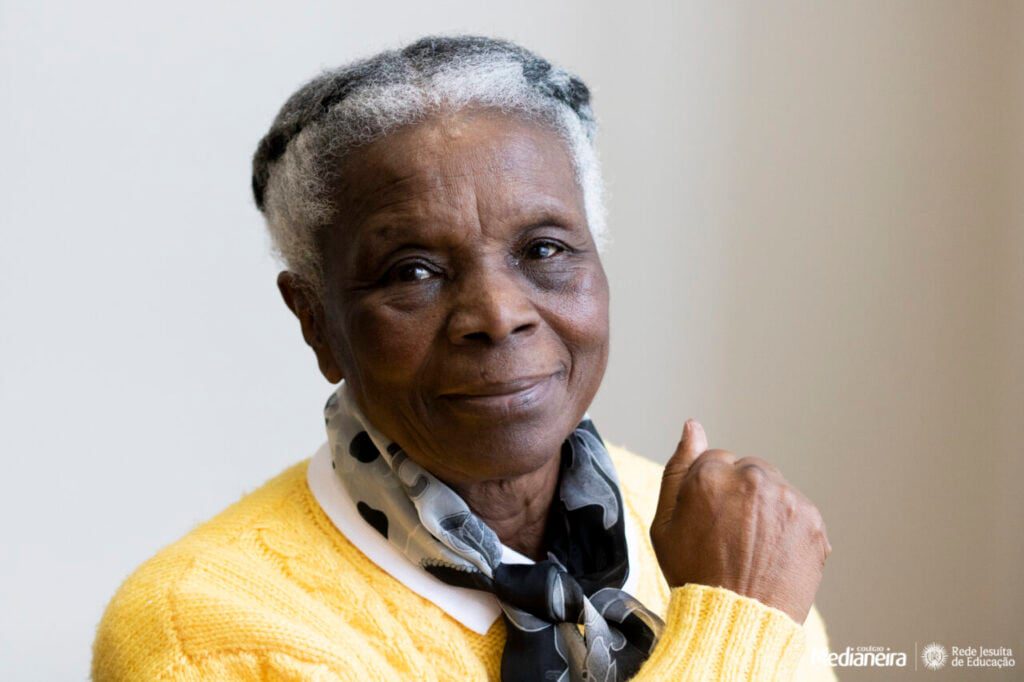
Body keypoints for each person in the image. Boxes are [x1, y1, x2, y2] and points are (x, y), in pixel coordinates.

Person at [92, 35, 836, 681]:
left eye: (544, 250)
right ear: (316, 322)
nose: (498, 315)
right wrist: (736, 629)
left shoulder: (720, 537)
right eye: (413, 270)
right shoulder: (206, 630)